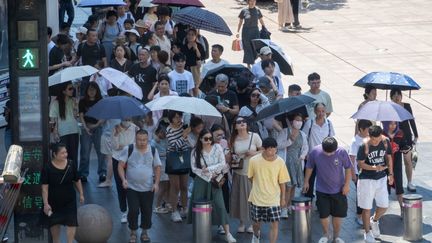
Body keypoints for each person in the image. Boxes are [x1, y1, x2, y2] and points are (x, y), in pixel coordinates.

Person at [188, 129, 237, 243]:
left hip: (215, 180)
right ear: (200, 139)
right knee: (200, 208)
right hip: (201, 182)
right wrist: (208, 174)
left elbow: (222, 163)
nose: (209, 141)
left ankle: (228, 233)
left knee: (220, 205)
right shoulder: (195, 151)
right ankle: (201, 231)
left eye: (210, 138)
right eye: (206, 139)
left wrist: (209, 170)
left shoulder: (218, 148)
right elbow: (194, 168)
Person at [304, 137, 351, 243]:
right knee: (323, 215)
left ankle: (336, 237)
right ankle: (326, 234)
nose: (328, 154)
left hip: (339, 190)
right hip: (321, 190)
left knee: (337, 215)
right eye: (326, 152)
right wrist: (306, 181)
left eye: (331, 152)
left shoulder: (342, 152)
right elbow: (309, 166)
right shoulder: (315, 151)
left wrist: (347, 185)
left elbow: (348, 167)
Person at [118, 130, 161, 243]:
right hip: (132, 187)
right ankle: (133, 231)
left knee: (147, 210)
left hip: (148, 187)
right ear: (135, 139)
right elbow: (120, 166)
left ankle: (144, 231)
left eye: (144, 140)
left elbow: (157, 167)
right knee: (133, 210)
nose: (142, 142)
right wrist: (123, 180)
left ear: (148, 139)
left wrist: (156, 183)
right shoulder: (129, 149)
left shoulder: (153, 150)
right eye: (139, 139)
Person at [248, 137, 290, 243]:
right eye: (269, 149)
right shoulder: (254, 161)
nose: (272, 152)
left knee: (275, 224)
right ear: (263, 149)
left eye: (274, 149)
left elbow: (282, 182)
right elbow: (250, 177)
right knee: (256, 223)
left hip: (274, 199)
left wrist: (283, 198)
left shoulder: (280, 162)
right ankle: (256, 235)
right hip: (257, 198)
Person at [356, 125, 393, 243]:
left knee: (384, 206)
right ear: (369, 136)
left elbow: (389, 157)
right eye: (373, 140)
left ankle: (375, 220)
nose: (376, 142)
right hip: (366, 179)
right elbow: (360, 164)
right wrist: (374, 167)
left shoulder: (386, 142)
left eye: (378, 139)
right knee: (366, 208)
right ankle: (367, 233)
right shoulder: (364, 146)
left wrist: (390, 174)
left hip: (381, 178)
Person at [41, 143, 84, 243]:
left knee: (72, 222)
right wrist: (46, 204)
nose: (65, 154)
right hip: (54, 200)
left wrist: (81, 193)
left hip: (69, 199)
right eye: (62, 153)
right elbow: (44, 188)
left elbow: (77, 179)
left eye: (66, 152)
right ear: (55, 154)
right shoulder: (47, 167)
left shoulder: (71, 164)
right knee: (55, 223)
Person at [230, 116, 262, 234]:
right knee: (240, 199)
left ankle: (254, 223)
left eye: (244, 121)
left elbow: (264, 150)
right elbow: (230, 154)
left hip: (254, 172)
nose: (242, 123)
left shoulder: (255, 136)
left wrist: (254, 153)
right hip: (239, 172)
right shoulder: (233, 139)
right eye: (239, 122)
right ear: (235, 126)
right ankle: (242, 223)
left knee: (254, 199)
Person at [301, 102, 335, 199]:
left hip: (325, 157)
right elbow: (304, 138)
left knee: (325, 180)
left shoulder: (328, 123)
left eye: (323, 111)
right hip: (312, 156)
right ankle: (308, 200)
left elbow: (331, 139)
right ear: (315, 112)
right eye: (319, 111)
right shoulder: (310, 123)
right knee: (309, 180)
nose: (321, 113)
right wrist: (306, 153)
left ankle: (322, 201)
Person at [279, 113, 308, 217]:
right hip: (287, 162)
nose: (299, 122)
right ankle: (283, 208)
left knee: (294, 185)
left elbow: (305, 147)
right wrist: (289, 140)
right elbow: (279, 145)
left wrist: (303, 156)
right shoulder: (285, 132)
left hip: (297, 162)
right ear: (292, 121)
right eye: (297, 120)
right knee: (287, 186)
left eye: (301, 120)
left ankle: (289, 205)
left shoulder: (302, 134)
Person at [111, 118, 139, 223]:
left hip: (132, 159)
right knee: (120, 185)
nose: (127, 120)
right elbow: (115, 146)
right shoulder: (115, 128)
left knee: (132, 185)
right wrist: (116, 134)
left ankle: (133, 209)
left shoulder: (136, 128)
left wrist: (123, 146)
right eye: (124, 118)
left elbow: (138, 145)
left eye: (128, 118)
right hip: (118, 159)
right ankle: (124, 211)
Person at [390, 88, 418, 192]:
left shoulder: (407, 106)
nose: (397, 96)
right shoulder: (390, 108)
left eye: (399, 94)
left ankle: (410, 182)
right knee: (395, 162)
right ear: (391, 97)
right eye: (394, 95)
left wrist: (416, 135)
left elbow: (411, 120)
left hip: (406, 137)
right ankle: (396, 183)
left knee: (408, 161)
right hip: (395, 138)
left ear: (401, 96)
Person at [166, 111, 191, 222]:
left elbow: (187, 143)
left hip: (184, 157)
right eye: (176, 117)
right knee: (175, 187)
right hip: (173, 158)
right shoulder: (169, 130)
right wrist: (184, 135)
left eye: (180, 116)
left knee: (184, 186)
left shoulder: (183, 127)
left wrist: (186, 135)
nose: (179, 119)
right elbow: (175, 146)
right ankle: (174, 211)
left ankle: (185, 208)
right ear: (171, 118)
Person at [78, 83, 105, 182]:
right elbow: (81, 115)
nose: (92, 91)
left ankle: (102, 172)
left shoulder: (101, 101)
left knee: (101, 152)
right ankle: (83, 173)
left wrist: (96, 125)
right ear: (86, 91)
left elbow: (103, 117)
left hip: (98, 128)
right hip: (86, 128)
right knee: (84, 152)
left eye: (94, 89)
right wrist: (86, 127)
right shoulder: (82, 101)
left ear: (97, 90)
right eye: (90, 89)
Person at [49, 82, 79, 173]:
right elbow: (53, 120)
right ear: (63, 91)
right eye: (70, 89)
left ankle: (74, 175)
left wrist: (76, 105)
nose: (72, 90)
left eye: (72, 88)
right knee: (63, 155)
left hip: (74, 130)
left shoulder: (73, 100)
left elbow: (75, 115)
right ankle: (63, 174)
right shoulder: (55, 103)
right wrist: (54, 132)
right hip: (62, 132)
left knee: (74, 155)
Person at [382, 121, 409, 217]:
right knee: (383, 189)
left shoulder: (400, 134)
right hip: (383, 167)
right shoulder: (381, 135)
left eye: (395, 124)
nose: (393, 126)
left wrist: (405, 149)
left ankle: (403, 210)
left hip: (397, 165)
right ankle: (380, 212)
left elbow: (403, 146)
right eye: (390, 123)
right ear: (385, 123)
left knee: (399, 189)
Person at [348, 119, 372, 226]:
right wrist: (353, 174)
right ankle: (359, 215)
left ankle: (365, 215)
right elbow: (351, 159)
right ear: (361, 129)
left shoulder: (369, 139)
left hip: (368, 170)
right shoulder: (355, 141)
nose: (369, 132)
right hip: (359, 173)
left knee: (367, 194)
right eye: (368, 130)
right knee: (361, 195)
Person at [76, 29, 107, 95]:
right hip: (85, 73)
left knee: (97, 92)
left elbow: (104, 60)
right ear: (87, 36)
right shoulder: (81, 46)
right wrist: (69, 63)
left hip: (97, 73)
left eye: (96, 36)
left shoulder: (100, 47)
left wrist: (103, 72)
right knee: (84, 92)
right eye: (93, 36)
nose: (95, 37)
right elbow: (76, 58)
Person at [236, 0, 266, 68]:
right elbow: (240, 22)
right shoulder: (244, 10)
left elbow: (261, 20)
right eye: (251, 1)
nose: (252, 2)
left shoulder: (258, 10)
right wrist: (237, 32)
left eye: (254, 1)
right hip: (246, 31)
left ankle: (253, 60)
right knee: (247, 48)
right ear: (248, 2)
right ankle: (249, 64)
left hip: (255, 31)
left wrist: (264, 28)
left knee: (255, 47)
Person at [151, 124, 171, 214]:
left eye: (165, 133)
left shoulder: (165, 140)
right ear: (157, 132)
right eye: (162, 133)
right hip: (160, 167)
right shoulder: (153, 142)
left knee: (167, 186)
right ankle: (157, 206)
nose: (164, 135)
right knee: (163, 187)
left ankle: (166, 203)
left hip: (167, 165)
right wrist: (165, 154)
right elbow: (153, 156)